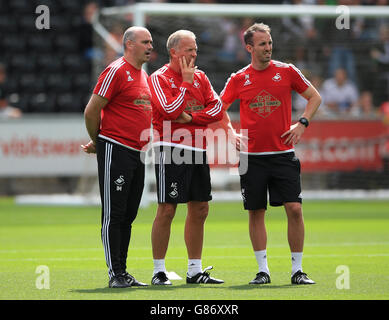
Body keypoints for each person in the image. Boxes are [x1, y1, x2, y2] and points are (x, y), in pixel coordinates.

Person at [219, 23, 321, 285]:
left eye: (270, 42)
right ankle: (263, 271)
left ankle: (297, 270)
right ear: (249, 47)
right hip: (251, 158)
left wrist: (302, 123)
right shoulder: (239, 78)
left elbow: (314, 97)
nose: (268, 47)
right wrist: (229, 132)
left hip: (283, 154)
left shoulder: (287, 71)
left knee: (295, 209)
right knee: (256, 212)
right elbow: (218, 109)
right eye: (262, 44)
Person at [147, 30, 224, 285]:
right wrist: (186, 84)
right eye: (189, 50)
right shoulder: (159, 78)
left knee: (200, 208)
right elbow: (169, 110)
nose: (194, 54)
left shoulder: (201, 76)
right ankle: (159, 271)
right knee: (167, 209)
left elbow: (217, 108)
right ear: (174, 52)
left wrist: (192, 118)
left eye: (195, 50)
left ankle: (194, 270)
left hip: (197, 148)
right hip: (170, 147)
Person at [82, 26, 153, 288]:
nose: (150, 46)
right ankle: (115, 274)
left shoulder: (143, 75)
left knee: (129, 214)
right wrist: (100, 141)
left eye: (151, 42)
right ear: (129, 44)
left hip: (138, 152)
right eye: (145, 42)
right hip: (116, 148)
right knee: (114, 213)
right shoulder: (116, 71)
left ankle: (123, 272)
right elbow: (91, 111)